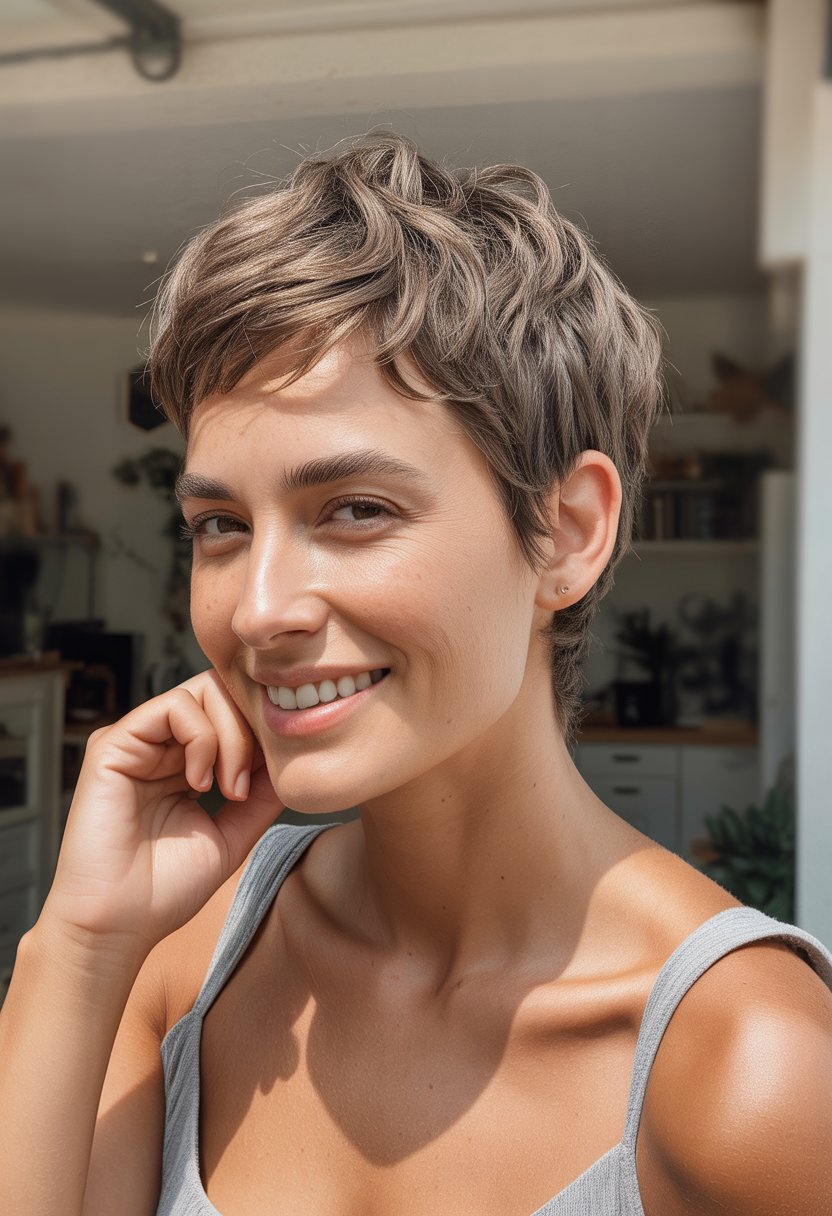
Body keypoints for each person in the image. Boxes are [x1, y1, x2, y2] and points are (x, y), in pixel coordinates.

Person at [1, 133, 831, 1216]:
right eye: (217, 524)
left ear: (567, 532)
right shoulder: (185, 970)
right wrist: (75, 946)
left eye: (355, 509)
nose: (257, 610)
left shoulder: (750, 1073)